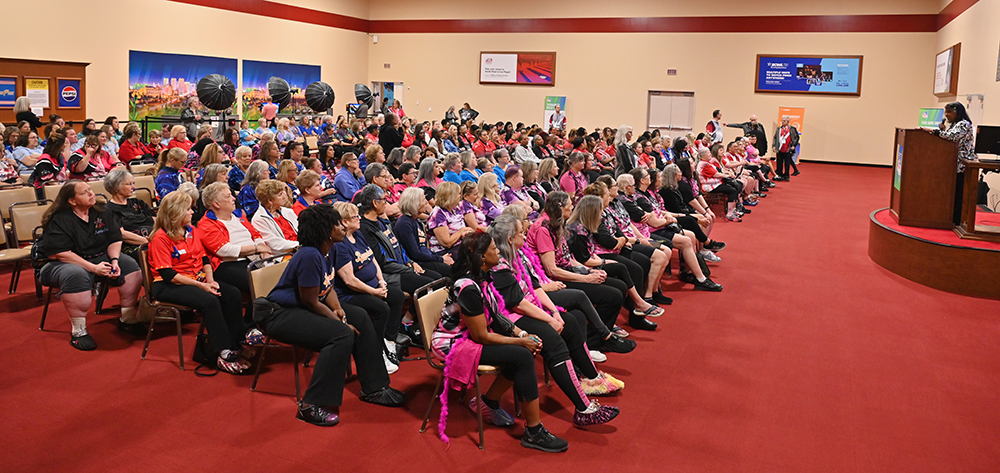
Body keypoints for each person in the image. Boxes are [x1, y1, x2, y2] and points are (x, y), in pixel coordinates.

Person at [260, 204, 406, 427]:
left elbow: (327, 288)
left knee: (360, 317)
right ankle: (310, 405)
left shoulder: (328, 250)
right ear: (326, 230)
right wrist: (339, 321)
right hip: (279, 313)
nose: (342, 227)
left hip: (305, 306)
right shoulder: (309, 255)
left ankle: (375, 388)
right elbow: (310, 300)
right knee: (341, 334)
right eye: (337, 223)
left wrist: (339, 309)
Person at [431, 231, 567, 452]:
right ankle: (534, 432)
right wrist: (520, 343)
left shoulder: (483, 277)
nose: (498, 252)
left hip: (469, 335)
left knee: (525, 351)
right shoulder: (467, 287)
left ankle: (488, 402)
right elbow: (481, 336)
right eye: (494, 249)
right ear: (482, 256)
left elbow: (496, 316)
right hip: (453, 342)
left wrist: (521, 334)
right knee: (522, 356)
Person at [149, 191, 254, 373]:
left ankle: (237, 341)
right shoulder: (160, 238)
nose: (192, 212)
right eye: (188, 209)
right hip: (168, 284)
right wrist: (202, 285)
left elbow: (204, 259)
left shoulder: (191, 231)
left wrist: (211, 280)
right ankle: (224, 350)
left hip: (197, 278)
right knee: (209, 300)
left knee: (231, 294)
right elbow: (168, 274)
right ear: (176, 213)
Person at [38, 181, 142, 349]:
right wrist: (93, 268)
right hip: (62, 263)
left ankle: (128, 318)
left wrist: (114, 260)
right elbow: (61, 253)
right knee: (76, 275)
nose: (92, 194)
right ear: (72, 201)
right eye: (85, 192)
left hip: (99, 257)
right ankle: (78, 331)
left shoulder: (101, 211)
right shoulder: (59, 219)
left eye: (90, 190)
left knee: (130, 266)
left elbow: (115, 238)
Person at [331, 202, 404, 373]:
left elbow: (373, 260)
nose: (359, 219)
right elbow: (350, 280)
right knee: (381, 308)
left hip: (373, 286)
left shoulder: (359, 235)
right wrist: (374, 292)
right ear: (343, 222)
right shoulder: (340, 245)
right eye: (355, 217)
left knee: (397, 296)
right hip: (349, 294)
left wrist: (381, 281)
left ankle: (389, 341)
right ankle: (376, 350)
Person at [196, 182, 273, 322]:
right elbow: (224, 250)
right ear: (216, 204)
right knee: (261, 282)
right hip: (225, 265)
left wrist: (263, 250)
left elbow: (255, 234)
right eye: (228, 196)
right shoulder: (206, 224)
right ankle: (252, 324)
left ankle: (257, 322)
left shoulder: (238, 216)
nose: (234, 199)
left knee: (275, 276)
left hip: (251, 258)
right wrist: (257, 248)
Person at [931, 101, 977, 224]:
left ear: (957, 112)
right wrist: (943, 130)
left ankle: (957, 219)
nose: (946, 115)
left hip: (962, 164)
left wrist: (935, 132)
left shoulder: (964, 124)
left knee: (959, 193)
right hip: (953, 163)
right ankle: (951, 217)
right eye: (946, 112)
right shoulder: (956, 124)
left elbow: (953, 137)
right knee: (952, 191)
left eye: (949, 112)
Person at [394, 187, 453, 278]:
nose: (426, 202)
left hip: (427, 258)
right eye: (423, 200)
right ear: (415, 204)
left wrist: (440, 258)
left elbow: (424, 249)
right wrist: (441, 259)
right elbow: (415, 253)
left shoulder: (415, 220)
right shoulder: (404, 224)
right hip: (418, 263)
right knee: (447, 272)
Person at [104, 168, 155, 260]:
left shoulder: (138, 203)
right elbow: (122, 234)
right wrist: (148, 241)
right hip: (134, 246)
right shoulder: (108, 210)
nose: (134, 187)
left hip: (154, 239)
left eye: (133, 183)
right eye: (129, 184)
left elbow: (157, 220)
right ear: (116, 188)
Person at [251, 179, 300, 253]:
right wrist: (301, 245)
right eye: (280, 195)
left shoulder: (288, 211)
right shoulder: (259, 219)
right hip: (283, 254)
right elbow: (274, 244)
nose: (284, 196)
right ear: (269, 200)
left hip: (301, 248)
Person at [427, 181, 474, 255]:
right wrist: (462, 231)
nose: (460, 196)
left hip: (460, 244)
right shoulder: (438, 214)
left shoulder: (455, 209)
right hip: (445, 252)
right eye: (458, 194)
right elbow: (447, 243)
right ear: (451, 196)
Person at [772, 116, 800, 181]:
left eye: (784, 121)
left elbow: (796, 138)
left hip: (788, 149)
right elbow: (775, 137)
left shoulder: (792, 129)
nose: (783, 122)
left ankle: (786, 175)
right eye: (782, 121)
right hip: (779, 148)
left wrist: (793, 146)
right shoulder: (779, 129)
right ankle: (779, 174)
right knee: (779, 162)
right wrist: (774, 146)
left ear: (788, 122)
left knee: (787, 163)